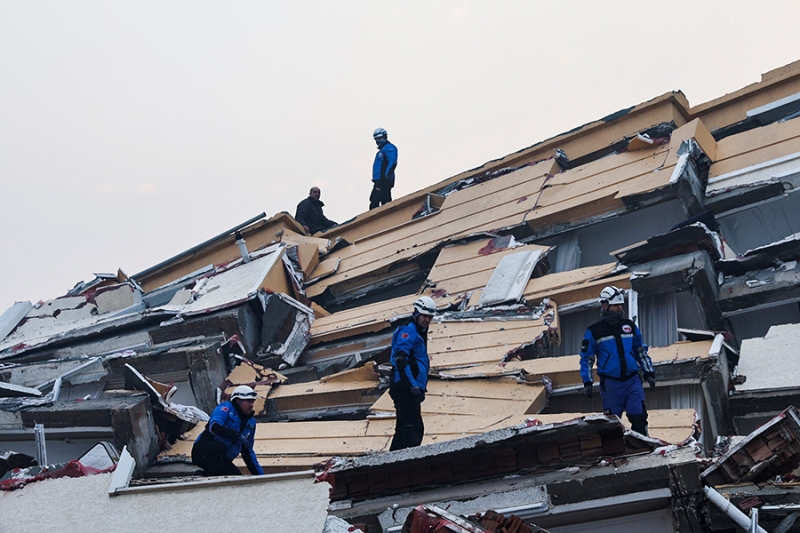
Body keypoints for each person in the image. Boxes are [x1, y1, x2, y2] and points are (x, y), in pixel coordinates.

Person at [579, 286, 656, 436]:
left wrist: (649, 372)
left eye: (621, 305)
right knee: (612, 425)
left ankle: (643, 448)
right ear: (605, 305)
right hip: (611, 384)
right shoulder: (594, 331)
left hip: (632, 380)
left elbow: (640, 350)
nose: (620, 308)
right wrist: (587, 382)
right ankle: (615, 456)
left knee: (638, 415)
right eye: (616, 305)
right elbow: (586, 358)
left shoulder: (630, 327)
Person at [389, 296, 436, 451]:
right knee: (413, 428)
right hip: (404, 386)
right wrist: (412, 386)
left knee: (404, 427)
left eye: (430, 317)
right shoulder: (409, 330)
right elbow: (401, 359)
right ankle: (405, 461)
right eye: (424, 316)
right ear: (416, 313)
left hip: (408, 386)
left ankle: (394, 462)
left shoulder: (418, 331)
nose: (427, 320)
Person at [192, 385, 264, 476]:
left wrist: (262, 477)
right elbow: (214, 427)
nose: (251, 405)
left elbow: (248, 453)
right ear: (238, 401)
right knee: (219, 446)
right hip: (202, 452)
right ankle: (209, 477)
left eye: (252, 402)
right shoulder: (225, 408)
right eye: (248, 401)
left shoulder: (251, 423)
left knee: (237, 478)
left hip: (222, 459)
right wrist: (235, 435)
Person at [370, 127, 397, 210]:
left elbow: (392, 162)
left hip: (383, 179)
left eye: (379, 138)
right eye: (376, 139)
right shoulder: (382, 150)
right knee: (385, 199)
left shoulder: (389, 148)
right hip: (380, 179)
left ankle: (373, 219)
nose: (378, 141)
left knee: (375, 199)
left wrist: (387, 176)